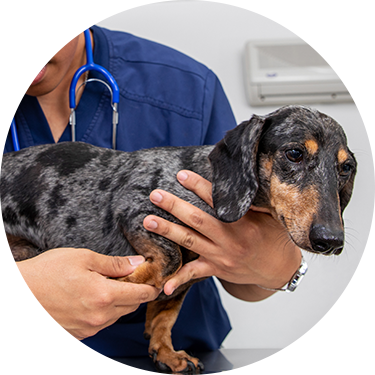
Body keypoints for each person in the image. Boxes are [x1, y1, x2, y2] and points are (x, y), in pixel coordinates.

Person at [0, 0, 301, 358]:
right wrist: (11, 290)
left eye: (24, 21)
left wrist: (278, 266)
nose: (12, 58)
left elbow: (248, 281)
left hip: (179, 356)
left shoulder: (185, 90)